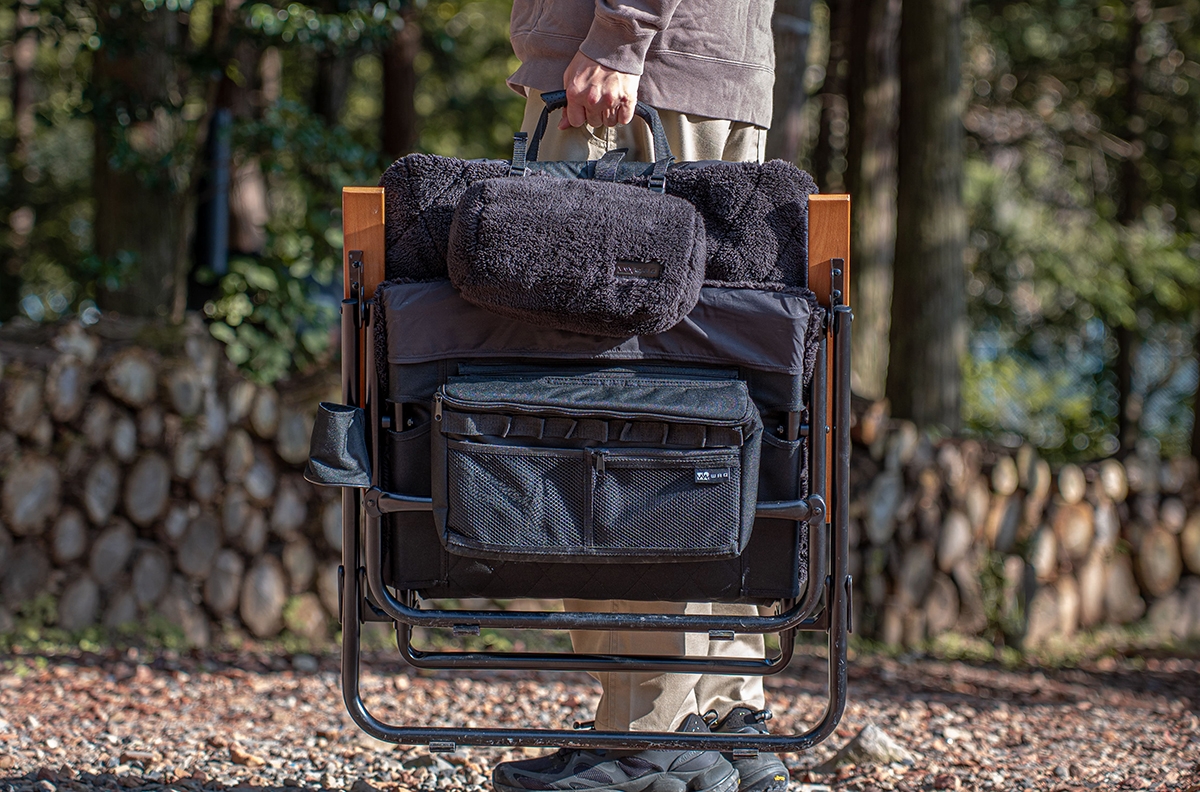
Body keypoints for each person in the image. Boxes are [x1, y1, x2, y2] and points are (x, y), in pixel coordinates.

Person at [490, 4, 788, 792]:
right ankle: (727, 726)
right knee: (706, 410)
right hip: (705, 71)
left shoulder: (619, 52)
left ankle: (645, 736)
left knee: (610, 408)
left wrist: (619, 36)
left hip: (631, 81)